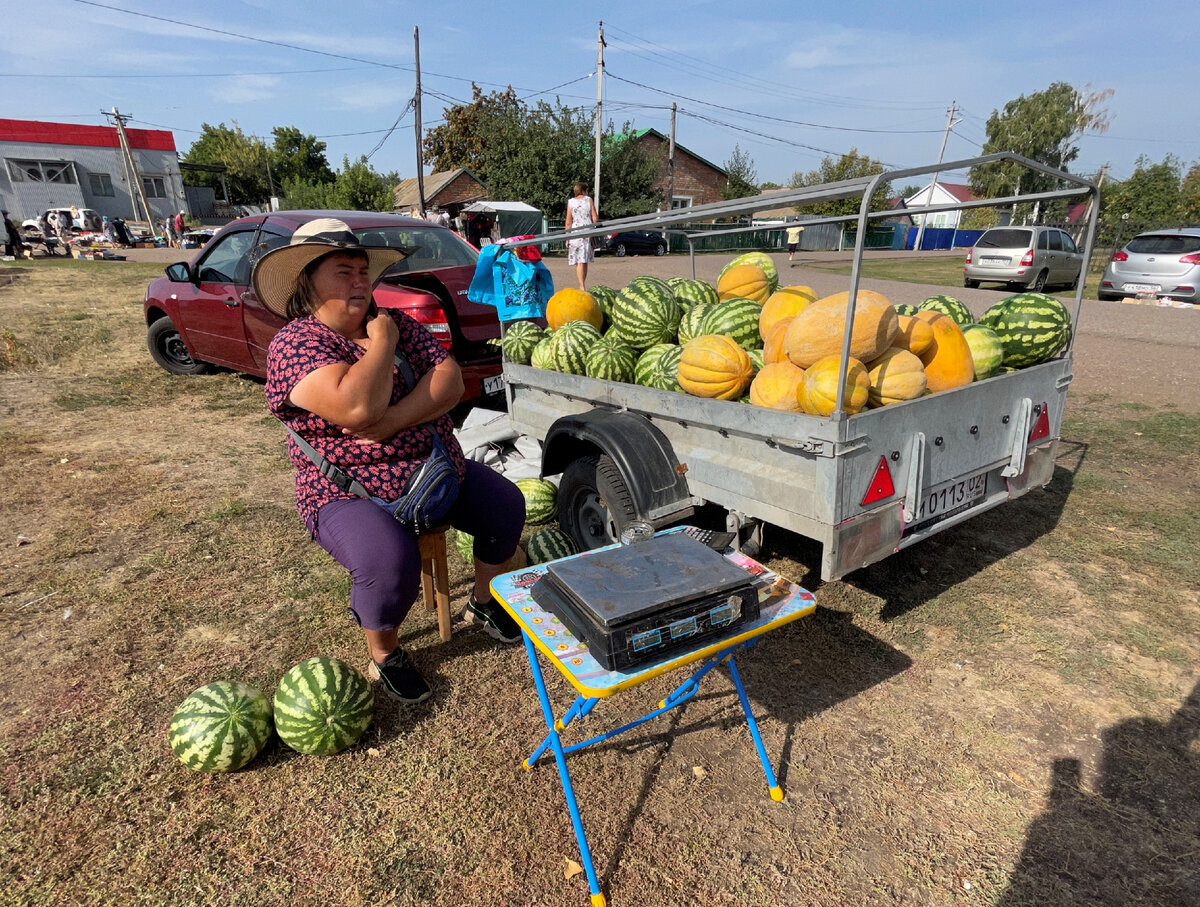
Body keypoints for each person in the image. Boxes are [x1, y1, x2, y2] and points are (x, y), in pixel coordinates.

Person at [254, 217, 526, 703]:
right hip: (346, 491)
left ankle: (484, 604)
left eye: (363, 270)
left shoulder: (398, 323)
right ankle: (385, 653)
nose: (360, 281)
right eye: (343, 271)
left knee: (504, 504)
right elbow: (356, 406)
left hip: (435, 472)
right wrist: (381, 345)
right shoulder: (296, 344)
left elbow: (451, 382)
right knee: (388, 561)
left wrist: (395, 418)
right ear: (306, 281)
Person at [564, 181, 598, 291]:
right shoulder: (589, 200)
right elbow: (595, 218)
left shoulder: (571, 202)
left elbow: (568, 221)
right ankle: (583, 285)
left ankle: (581, 285)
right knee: (584, 260)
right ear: (584, 190)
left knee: (579, 261)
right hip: (587, 231)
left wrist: (567, 237)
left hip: (575, 231)